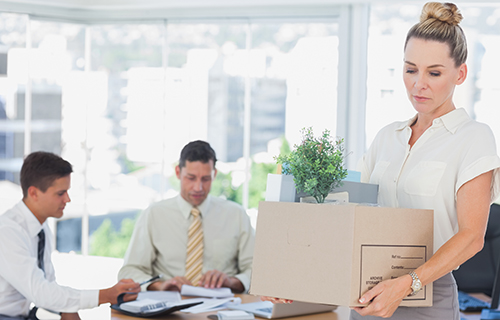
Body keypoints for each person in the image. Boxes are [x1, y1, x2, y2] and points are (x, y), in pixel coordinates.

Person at [265, 2, 500, 319]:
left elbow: (471, 238)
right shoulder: (387, 137)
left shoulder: (474, 138)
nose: (419, 83)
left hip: (428, 297)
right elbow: (349, 217)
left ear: (461, 74)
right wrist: (290, 273)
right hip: (365, 295)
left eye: (434, 72)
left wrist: (407, 283)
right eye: (410, 69)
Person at [0, 151, 140, 320]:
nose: (67, 199)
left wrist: (67, 310)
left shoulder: (41, 227)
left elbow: (49, 286)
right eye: (60, 193)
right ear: (34, 193)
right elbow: (40, 292)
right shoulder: (7, 231)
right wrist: (106, 295)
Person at [118, 140, 255, 293]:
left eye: (205, 179)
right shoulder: (154, 215)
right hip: (169, 308)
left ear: (214, 174)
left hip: (223, 308)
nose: (198, 187)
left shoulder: (236, 215)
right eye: (191, 178)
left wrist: (232, 282)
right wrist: (160, 286)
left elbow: (256, 271)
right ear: (178, 172)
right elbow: (129, 272)